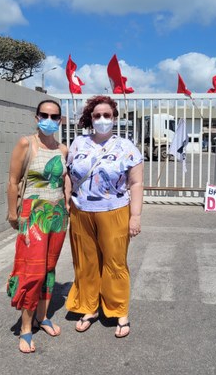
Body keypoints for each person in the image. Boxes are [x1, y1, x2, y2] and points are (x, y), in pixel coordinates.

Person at [65, 95, 143, 338]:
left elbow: (137, 183)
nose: (101, 119)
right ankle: (89, 307)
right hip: (82, 212)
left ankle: (119, 311)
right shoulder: (78, 143)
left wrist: (135, 216)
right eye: (97, 115)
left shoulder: (127, 147)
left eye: (106, 115)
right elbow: (68, 173)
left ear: (114, 118)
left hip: (115, 211)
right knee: (86, 263)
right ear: (90, 118)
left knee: (115, 263)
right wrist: (68, 200)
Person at [7, 100, 70, 353]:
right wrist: (12, 213)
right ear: (36, 118)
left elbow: (64, 179)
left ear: (60, 120)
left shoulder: (63, 150)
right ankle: (25, 327)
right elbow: (12, 181)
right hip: (33, 214)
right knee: (32, 271)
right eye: (44, 115)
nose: (49, 119)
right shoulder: (26, 144)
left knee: (50, 268)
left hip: (56, 216)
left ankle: (42, 317)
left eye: (54, 116)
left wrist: (67, 204)